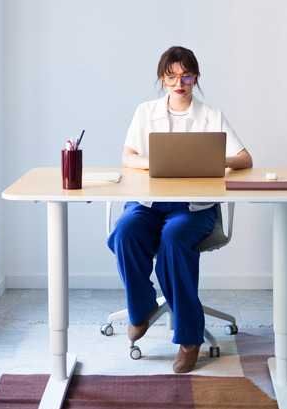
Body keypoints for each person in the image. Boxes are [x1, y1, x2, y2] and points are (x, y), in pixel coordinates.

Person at [107, 46, 252, 373]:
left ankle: (189, 338)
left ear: (195, 77)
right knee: (125, 232)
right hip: (149, 203)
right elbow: (127, 156)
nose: (179, 83)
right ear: (163, 78)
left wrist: (217, 160)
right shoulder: (146, 112)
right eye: (171, 76)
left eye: (186, 76)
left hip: (193, 207)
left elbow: (245, 159)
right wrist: (155, 163)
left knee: (173, 240)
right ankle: (141, 309)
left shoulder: (212, 115)